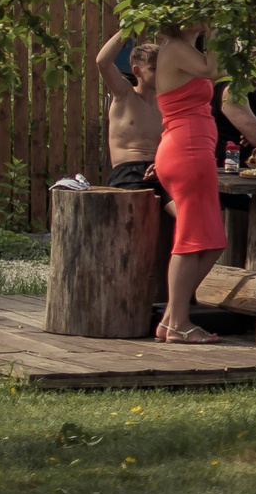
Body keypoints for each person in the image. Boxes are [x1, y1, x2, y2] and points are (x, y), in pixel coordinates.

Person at [136, 26, 228, 344]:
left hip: (193, 149)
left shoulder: (184, 50)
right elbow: (212, 70)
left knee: (213, 241)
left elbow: (220, 68)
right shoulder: (174, 46)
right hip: (186, 150)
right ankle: (179, 323)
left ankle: (170, 319)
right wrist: (219, 31)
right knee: (190, 240)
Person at [94, 30, 162, 189]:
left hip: (160, 170)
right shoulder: (125, 94)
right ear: (137, 71)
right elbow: (102, 62)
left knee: (185, 203)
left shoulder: (165, 104)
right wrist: (130, 27)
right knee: (141, 208)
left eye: (162, 68)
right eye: (153, 68)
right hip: (128, 172)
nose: (160, 73)